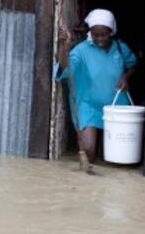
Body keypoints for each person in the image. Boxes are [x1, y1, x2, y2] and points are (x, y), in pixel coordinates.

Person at [56, 9, 138, 167]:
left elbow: (133, 66)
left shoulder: (120, 48)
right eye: (95, 35)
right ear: (90, 33)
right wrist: (64, 47)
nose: (100, 39)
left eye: (104, 35)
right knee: (88, 152)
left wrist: (126, 78)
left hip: (116, 105)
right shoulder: (81, 50)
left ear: (111, 32)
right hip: (89, 106)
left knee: (115, 157)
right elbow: (66, 68)